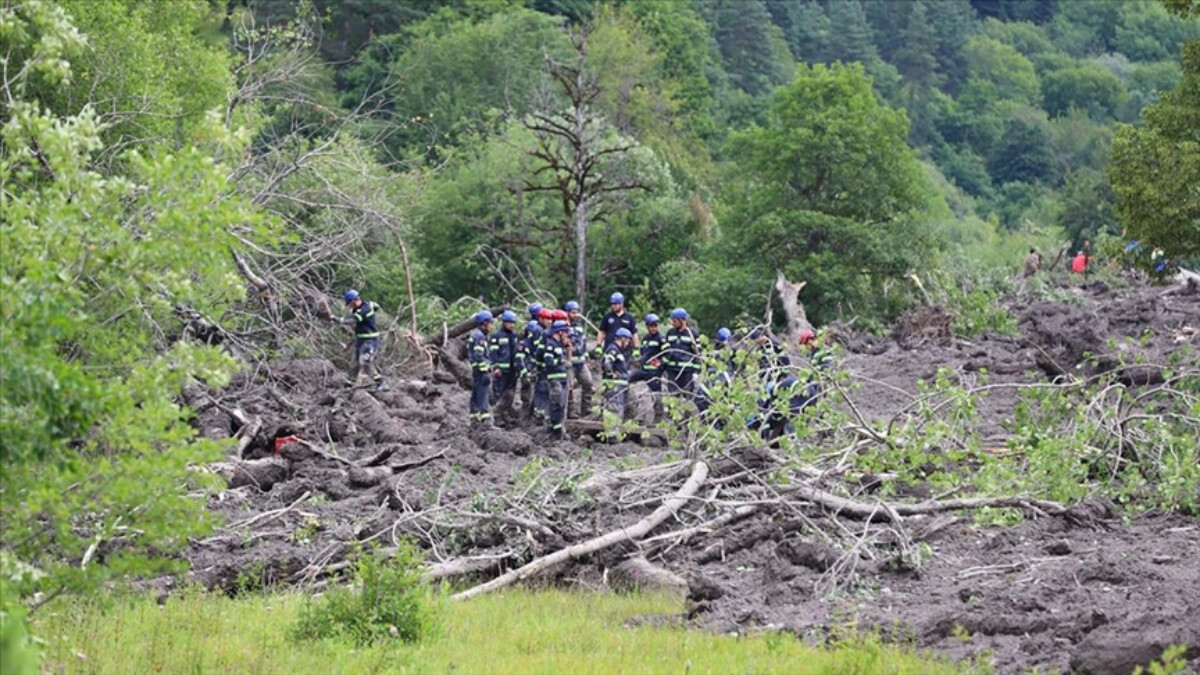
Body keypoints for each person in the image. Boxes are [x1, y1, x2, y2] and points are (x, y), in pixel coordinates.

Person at [333, 289, 388, 391]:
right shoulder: (360, 307)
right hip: (360, 339)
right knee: (354, 364)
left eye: (350, 303)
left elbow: (353, 320)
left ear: (354, 301)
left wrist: (339, 320)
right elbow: (375, 306)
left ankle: (381, 382)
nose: (349, 306)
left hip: (370, 340)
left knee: (365, 361)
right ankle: (349, 385)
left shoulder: (365, 309)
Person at [630, 314, 667, 422]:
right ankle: (630, 410)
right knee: (628, 379)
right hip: (644, 370)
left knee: (656, 394)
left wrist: (660, 365)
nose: (654, 328)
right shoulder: (646, 338)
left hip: (654, 372)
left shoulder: (661, 339)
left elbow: (668, 354)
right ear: (647, 326)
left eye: (655, 325)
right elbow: (643, 352)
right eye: (651, 326)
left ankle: (659, 418)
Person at [564, 301, 595, 418]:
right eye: (573, 313)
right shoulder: (563, 327)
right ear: (567, 313)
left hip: (581, 363)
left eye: (577, 313)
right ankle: (570, 411)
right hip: (570, 363)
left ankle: (586, 410)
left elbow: (583, 343)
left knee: (588, 384)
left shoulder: (579, 327)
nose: (576, 315)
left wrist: (586, 356)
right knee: (569, 388)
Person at [489, 310, 520, 425]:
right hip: (501, 371)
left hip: (513, 370)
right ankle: (497, 416)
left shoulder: (514, 336)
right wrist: (495, 367)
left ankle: (505, 413)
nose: (512, 325)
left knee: (509, 394)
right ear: (504, 323)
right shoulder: (496, 336)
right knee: (499, 393)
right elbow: (492, 354)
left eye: (513, 323)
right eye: (509, 322)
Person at [542, 320, 571, 440]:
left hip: (562, 378)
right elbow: (548, 362)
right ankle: (555, 431)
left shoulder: (560, 345)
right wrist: (561, 361)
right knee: (556, 404)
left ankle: (560, 430)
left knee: (562, 404)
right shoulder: (550, 344)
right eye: (565, 332)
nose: (567, 335)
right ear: (560, 332)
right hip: (554, 379)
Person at [663, 308, 700, 399]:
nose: (672, 323)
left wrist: (695, 372)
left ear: (682, 320)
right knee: (672, 398)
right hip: (672, 371)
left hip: (687, 372)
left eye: (674, 321)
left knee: (688, 399)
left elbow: (697, 354)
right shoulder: (670, 333)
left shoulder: (692, 334)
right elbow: (666, 352)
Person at [467, 311, 494, 428]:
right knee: (483, 394)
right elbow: (478, 355)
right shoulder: (480, 337)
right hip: (481, 371)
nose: (492, 326)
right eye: (490, 323)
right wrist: (486, 369)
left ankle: (475, 418)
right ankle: (486, 420)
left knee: (476, 394)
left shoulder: (475, 334)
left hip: (477, 370)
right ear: (484, 323)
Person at [601, 327, 634, 420]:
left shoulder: (618, 350)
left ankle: (616, 431)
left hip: (619, 386)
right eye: (627, 341)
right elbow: (607, 362)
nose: (628, 343)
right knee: (614, 410)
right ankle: (612, 433)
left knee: (619, 409)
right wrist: (611, 374)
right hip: (614, 386)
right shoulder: (613, 349)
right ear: (622, 339)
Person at [516, 321, 542, 423]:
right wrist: (525, 374)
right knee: (527, 399)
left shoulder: (537, 345)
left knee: (536, 399)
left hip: (535, 374)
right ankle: (523, 421)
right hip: (527, 374)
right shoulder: (523, 345)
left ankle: (532, 420)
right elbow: (519, 360)